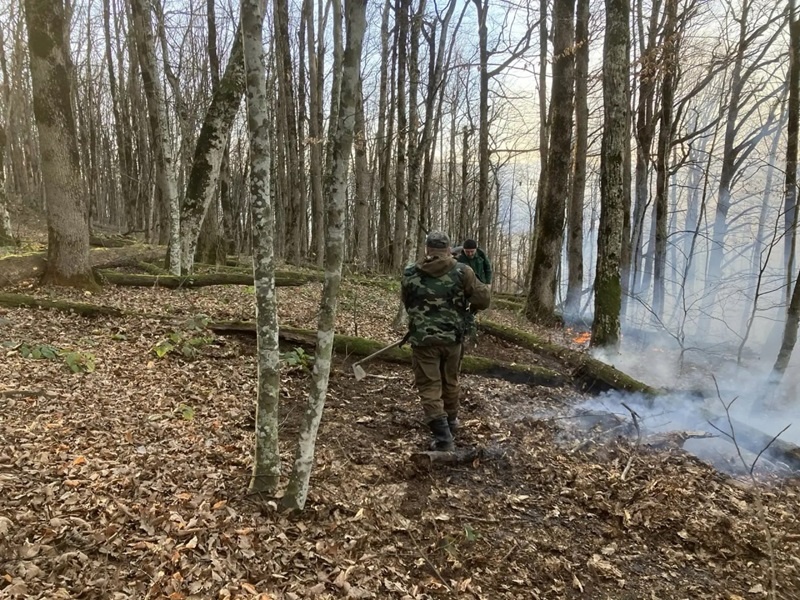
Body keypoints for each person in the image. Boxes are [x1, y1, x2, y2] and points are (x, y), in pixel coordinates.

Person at [401, 231, 491, 451]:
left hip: (424, 340)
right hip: (452, 339)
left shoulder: (411, 272)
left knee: (430, 385)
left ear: (427, 249)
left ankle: (444, 438)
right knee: (450, 381)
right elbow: (484, 299)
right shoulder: (463, 271)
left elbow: (408, 301)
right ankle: (449, 424)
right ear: (449, 249)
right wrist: (469, 309)